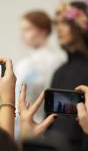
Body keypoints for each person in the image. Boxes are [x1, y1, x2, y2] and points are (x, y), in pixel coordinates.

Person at [50, 0, 88, 150]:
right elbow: (51, 119)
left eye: (64, 22)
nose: (58, 29)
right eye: (56, 23)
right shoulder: (59, 72)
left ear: (81, 25)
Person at [15, 10, 62, 139]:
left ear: (43, 31)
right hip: (17, 127)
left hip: (39, 127)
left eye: (28, 29)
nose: (22, 35)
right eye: (22, 30)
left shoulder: (55, 63)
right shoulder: (23, 63)